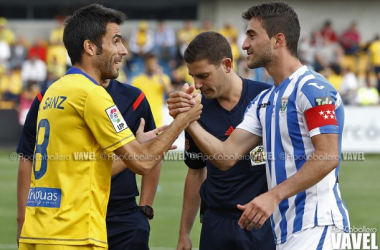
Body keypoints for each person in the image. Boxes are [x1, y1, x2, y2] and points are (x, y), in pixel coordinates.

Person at [18, 4, 202, 250]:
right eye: (116, 40)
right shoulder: (92, 94)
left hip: (42, 231)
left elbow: (85, 167)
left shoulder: (54, 90)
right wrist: (183, 119)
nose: (124, 50)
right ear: (90, 47)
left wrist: (139, 143)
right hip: (74, 234)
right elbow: (143, 162)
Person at [168, 2, 350, 250]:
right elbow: (225, 157)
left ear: (278, 40)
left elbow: (328, 156)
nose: (244, 44)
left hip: (318, 227)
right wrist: (188, 119)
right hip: (282, 232)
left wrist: (272, 195)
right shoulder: (265, 100)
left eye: (252, 35)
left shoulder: (313, 88)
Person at [17, 78, 162, 250]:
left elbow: (153, 150)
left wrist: (144, 211)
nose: (122, 51)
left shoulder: (134, 98)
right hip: (69, 213)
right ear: (91, 49)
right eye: (115, 48)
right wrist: (22, 218)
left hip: (122, 214)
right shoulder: (48, 97)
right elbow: (27, 156)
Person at [170, 31, 274, 250]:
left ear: (226, 64)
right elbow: (196, 172)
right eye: (192, 77)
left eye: (203, 75)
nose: (196, 85)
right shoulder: (197, 111)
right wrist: (183, 233)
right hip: (215, 222)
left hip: (262, 221)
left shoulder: (267, 99)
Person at [132, 53, 173, 127]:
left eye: (154, 62)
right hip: (142, 117)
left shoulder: (163, 78)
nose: (152, 65)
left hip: (157, 117)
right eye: (150, 62)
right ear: (145, 63)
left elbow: (170, 92)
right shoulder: (137, 80)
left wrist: (160, 76)